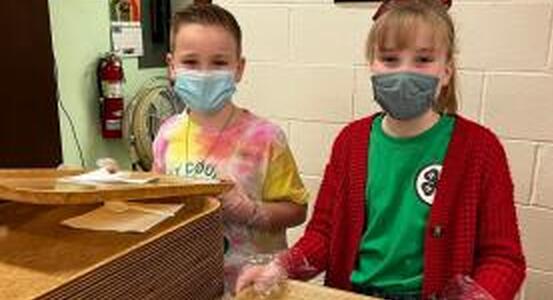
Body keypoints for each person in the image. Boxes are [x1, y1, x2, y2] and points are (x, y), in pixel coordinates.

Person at [235, 0, 525, 299]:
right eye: (390, 59)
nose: (404, 72)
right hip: (355, 292)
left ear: (447, 71)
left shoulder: (480, 148)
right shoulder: (351, 142)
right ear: (371, 65)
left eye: (423, 59)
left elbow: (504, 258)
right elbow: (324, 234)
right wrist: (281, 266)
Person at [151, 2, 309, 294]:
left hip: (253, 285)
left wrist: (251, 211)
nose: (205, 73)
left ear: (239, 68)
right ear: (172, 66)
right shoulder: (167, 134)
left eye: (219, 63)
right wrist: (117, 185)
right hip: (188, 280)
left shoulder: (266, 137)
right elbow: (154, 199)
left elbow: (298, 210)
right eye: (191, 62)